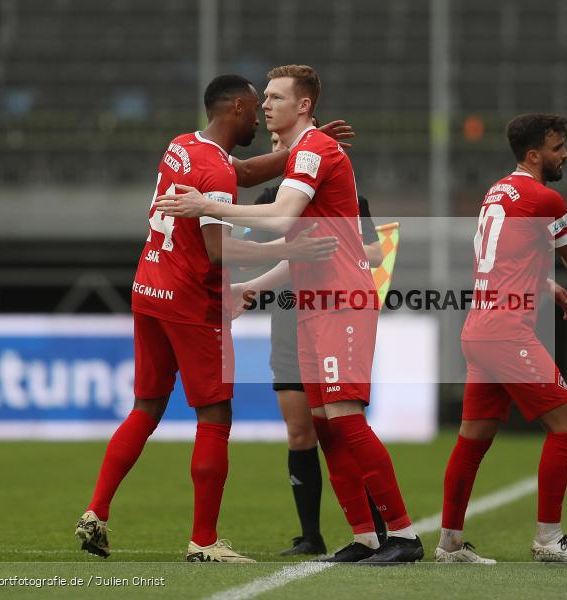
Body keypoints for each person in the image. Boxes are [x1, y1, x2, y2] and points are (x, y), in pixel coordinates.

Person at [154, 64, 425, 564]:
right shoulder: (302, 152)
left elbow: (281, 218)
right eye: (264, 99)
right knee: (323, 422)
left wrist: (204, 205)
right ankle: (365, 536)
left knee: (345, 417)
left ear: (304, 106)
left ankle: (404, 536)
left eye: (276, 97)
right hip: (311, 301)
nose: (265, 106)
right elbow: (300, 247)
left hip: (342, 299)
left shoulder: (316, 150)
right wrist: (251, 287)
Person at [74, 75, 342, 563]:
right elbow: (217, 252)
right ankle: (203, 541)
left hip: (148, 289)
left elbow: (239, 169)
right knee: (215, 416)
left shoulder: (182, 145)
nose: (260, 116)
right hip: (192, 302)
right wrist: (290, 247)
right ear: (237, 107)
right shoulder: (215, 173)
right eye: (255, 106)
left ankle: (96, 510)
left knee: (146, 406)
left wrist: (302, 151)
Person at [435, 113, 567, 564]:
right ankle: (549, 539)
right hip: (508, 332)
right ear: (535, 155)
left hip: (480, 327)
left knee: (473, 438)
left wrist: (544, 284)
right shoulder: (544, 198)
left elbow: (502, 257)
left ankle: (449, 543)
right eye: (557, 146)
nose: (565, 153)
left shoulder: (497, 191)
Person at [242, 131, 387, 556]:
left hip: (333, 305)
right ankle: (311, 536)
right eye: (271, 141)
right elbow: (256, 247)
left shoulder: (345, 195)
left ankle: (378, 527)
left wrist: (331, 248)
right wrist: (294, 250)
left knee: (343, 424)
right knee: (300, 428)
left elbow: (376, 253)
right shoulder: (271, 198)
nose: (277, 146)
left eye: (282, 140)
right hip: (289, 311)